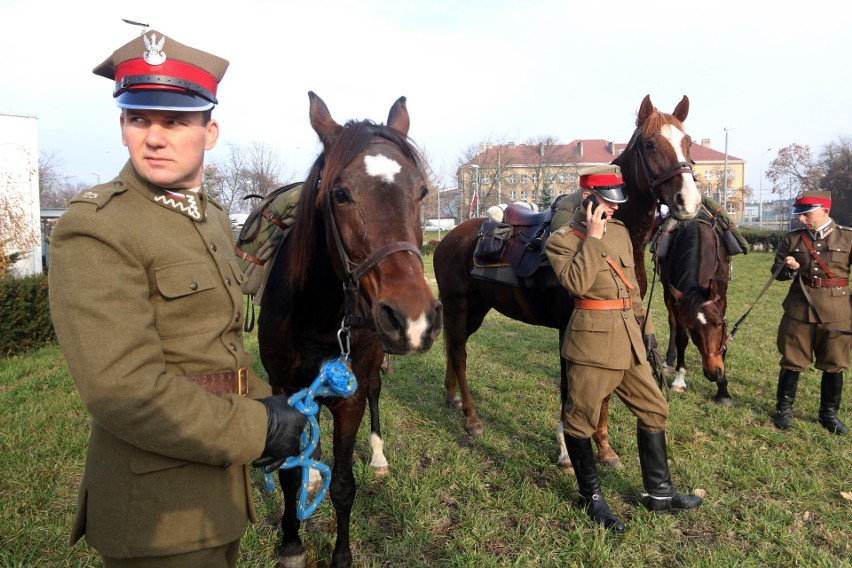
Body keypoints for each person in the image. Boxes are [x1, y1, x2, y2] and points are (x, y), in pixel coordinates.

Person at [48, 29, 306, 566]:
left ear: (209, 132)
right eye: (139, 118)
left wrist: (276, 406)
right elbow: (125, 390)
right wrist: (261, 428)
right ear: (122, 127)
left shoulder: (208, 216)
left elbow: (219, 348)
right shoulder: (97, 226)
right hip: (157, 514)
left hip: (218, 493)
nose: (154, 137)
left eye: (175, 120)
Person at [544, 164, 702, 532]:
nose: (614, 209)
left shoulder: (619, 232)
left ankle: (659, 493)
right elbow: (578, 285)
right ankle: (591, 497)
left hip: (629, 338)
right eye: (606, 202)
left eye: (617, 202)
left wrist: (647, 335)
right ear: (587, 199)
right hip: (592, 344)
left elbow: (631, 289)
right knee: (580, 421)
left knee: (654, 408)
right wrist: (593, 238)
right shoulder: (562, 240)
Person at [770, 190, 851, 434]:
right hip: (799, 307)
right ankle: (784, 410)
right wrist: (789, 269)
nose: (801, 219)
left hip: (838, 310)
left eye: (806, 214)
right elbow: (776, 273)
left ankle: (829, 414)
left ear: (825, 211)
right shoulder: (792, 239)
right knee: (792, 360)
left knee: (835, 363)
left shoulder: (847, 238)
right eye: (799, 215)